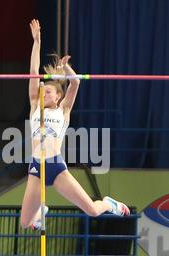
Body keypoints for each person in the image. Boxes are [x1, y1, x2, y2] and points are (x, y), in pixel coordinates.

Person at [21, 19, 130, 230]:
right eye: (42, 92)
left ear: (58, 96)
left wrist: (66, 68)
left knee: (92, 210)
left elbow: (76, 82)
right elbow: (34, 73)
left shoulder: (64, 111)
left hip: (56, 167)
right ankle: (39, 212)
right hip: (36, 167)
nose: (43, 94)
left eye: (48, 92)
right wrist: (36, 42)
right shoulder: (36, 107)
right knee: (25, 223)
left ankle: (109, 203)